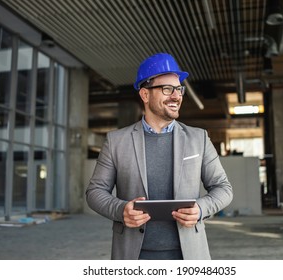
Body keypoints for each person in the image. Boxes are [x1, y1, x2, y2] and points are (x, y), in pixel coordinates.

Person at [86, 53, 233, 260]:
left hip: (188, 255)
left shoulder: (198, 138)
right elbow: (95, 192)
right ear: (145, 95)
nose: (176, 96)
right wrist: (121, 210)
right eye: (167, 89)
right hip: (134, 255)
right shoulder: (117, 141)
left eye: (179, 89)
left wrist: (201, 209)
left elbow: (223, 188)